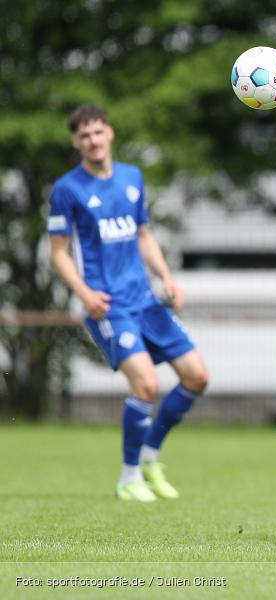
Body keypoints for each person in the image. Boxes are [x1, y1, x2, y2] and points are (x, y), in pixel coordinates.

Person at [47, 105, 209, 502]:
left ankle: (150, 457)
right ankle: (128, 476)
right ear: (76, 142)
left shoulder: (132, 177)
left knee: (197, 376)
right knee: (147, 385)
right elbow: (58, 252)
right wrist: (84, 293)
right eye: (84, 136)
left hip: (146, 300)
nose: (93, 140)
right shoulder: (67, 189)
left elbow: (143, 236)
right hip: (109, 305)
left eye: (98, 132)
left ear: (110, 134)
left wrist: (167, 277)